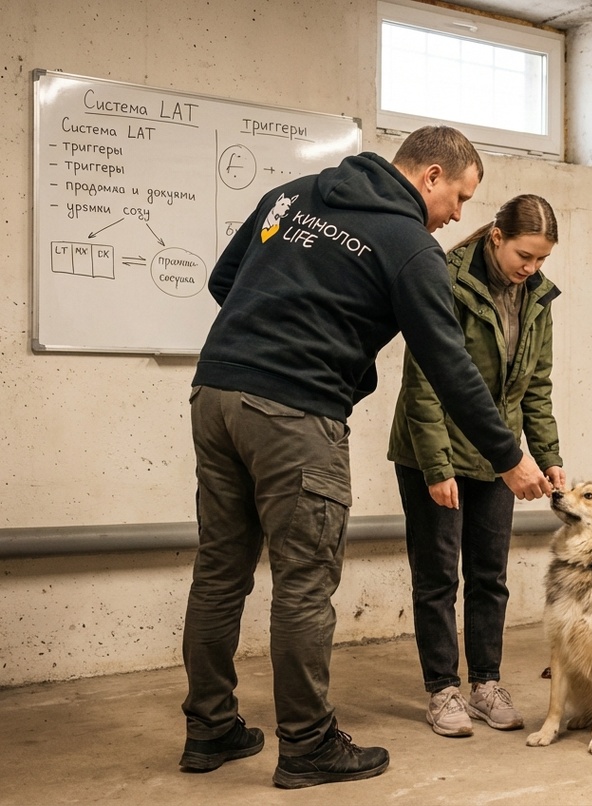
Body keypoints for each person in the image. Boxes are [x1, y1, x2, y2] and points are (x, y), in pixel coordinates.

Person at [179, 126, 554, 790]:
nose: (459, 216)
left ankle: (210, 729)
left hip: (215, 393)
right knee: (303, 586)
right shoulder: (412, 247)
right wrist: (508, 456)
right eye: (460, 197)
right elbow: (449, 365)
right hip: (295, 413)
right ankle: (307, 745)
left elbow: (223, 281)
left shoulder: (292, 195)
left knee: (218, 573)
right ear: (431, 176)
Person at [388, 194, 565, 737]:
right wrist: (437, 467)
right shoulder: (444, 278)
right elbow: (423, 383)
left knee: (490, 575)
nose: (531, 269)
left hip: (498, 456)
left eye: (541, 260)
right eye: (524, 255)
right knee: (438, 576)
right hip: (432, 447)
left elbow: (535, 386)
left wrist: (549, 457)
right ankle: (443, 690)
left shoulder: (536, 296)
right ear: (496, 237)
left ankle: (485, 683)